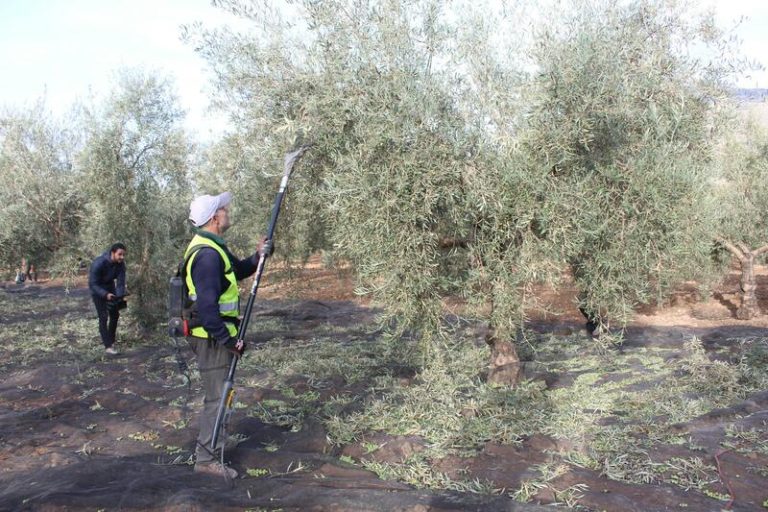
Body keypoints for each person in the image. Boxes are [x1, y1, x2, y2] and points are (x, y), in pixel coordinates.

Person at [184, 191, 269, 479]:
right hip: (211, 338)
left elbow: (239, 269)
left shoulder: (213, 247)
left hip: (214, 336)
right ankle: (207, 459)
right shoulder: (207, 256)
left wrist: (258, 256)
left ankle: (214, 445)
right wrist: (229, 341)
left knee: (222, 394)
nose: (227, 210)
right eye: (223, 208)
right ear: (214, 218)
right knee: (217, 397)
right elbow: (208, 310)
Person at [88, 243, 127, 355]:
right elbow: (93, 284)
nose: (122, 257)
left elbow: (120, 283)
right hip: (98, 291)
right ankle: (108, 346)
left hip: (110, 288)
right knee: (103, 317)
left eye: (123, 255)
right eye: (120, 254)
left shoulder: (120, 264)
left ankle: (111, 340)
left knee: (115, 315)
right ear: (112, 253)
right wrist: (105, 295)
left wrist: (119, 296)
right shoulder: (98, 263)